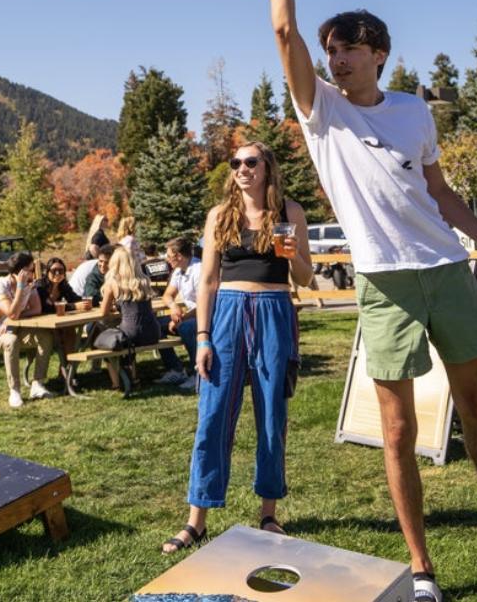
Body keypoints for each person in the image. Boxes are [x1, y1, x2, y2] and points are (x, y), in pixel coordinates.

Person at [269, 0, 477, 600]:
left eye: (349, 48)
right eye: (330, 48)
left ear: (379, 55)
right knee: (395, 432)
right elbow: (280, 30)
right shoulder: (318, 110)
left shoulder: (413, 112)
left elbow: (440, 194)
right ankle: (421, 568)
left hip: (448, 269)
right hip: (384, 282)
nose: (335, 58)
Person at [162, 142, 313, 554]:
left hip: (274, 309)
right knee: (212, 414)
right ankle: (197, 521)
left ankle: (268, 514)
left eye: (250, 162)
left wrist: (292, 252)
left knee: (271, 414)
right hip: (227, 313)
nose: (242, 169)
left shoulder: (290, 212)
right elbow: (208, 281)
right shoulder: (219, 215)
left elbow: (306, 278)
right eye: (236, 164)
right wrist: (203, 337)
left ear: (267, 167)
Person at [0, 251, 55, 408]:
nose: (33, 271)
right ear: (21, 271)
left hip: (17, 329)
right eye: (30, 268)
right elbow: (11, 311)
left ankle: (37, 384)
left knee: (45, 336)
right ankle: (14, 391)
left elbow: (36, 309)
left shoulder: (30, 284)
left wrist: (13, 318)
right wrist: (20, 289)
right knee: (11, 340)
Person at [94, 244, 164, 390]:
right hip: (153, 332)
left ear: (115, 262)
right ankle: (134, 378)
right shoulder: (144, 280)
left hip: (131, 334)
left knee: (107, 342)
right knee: (125, 340)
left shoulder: (113, 282)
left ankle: (116, 384)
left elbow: (102, 313)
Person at [164, 236, 204, 392]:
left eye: (168, 256)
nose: (167, 260)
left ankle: (198, 375)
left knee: (187, 327)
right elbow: (167, 295)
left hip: (206, 315)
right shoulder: (178, 271)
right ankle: (175, 370)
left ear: (178, 256)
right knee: (155, 325)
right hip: (188, 314)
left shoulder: (198, 269)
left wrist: (182, 319)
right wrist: (173, 307)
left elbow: (204, 305)